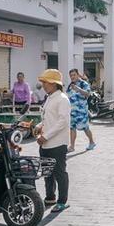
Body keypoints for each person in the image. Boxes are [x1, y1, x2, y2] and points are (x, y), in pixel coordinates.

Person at [34, 69, 71, 212]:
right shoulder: (49, 97)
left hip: (57, 142)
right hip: (45, 142)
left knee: (59, 172)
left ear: (55, 84)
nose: (43, 85)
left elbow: (62, 122)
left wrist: (46, 136)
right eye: (43, 82)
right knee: (47, 172)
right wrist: (39, 126)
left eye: (46, 82)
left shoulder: (62, 99)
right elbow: (48, 119)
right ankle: (50, 197)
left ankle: (62, 201)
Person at [67, 68, 96, 152]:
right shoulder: (70, 85)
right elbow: (68, 96)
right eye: (71, 75)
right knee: (72, 128)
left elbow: (88, 94)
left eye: (74, 75)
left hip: (81, 111)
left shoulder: (84, 84)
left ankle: (92, 142)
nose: (72, 77)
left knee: (85, 128)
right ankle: (72, 146)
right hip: (72, 111)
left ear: (78, 74)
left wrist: (78, 89)